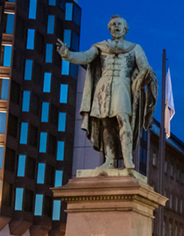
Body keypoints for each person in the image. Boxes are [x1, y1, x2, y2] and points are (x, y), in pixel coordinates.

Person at [56, 15, 156, 171]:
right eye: (113, 24)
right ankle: (109, 160)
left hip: (123, 85)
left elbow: (145, 68)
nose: (116, 27)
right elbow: (85, 57)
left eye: (119, 24)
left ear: (125, 29)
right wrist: (67, 54)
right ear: (109, 28)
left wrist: (147, 75)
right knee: (105, 123)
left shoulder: (135, 48)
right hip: (104, 86)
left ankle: (127, 159)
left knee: (123, 118)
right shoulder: (100, 47)